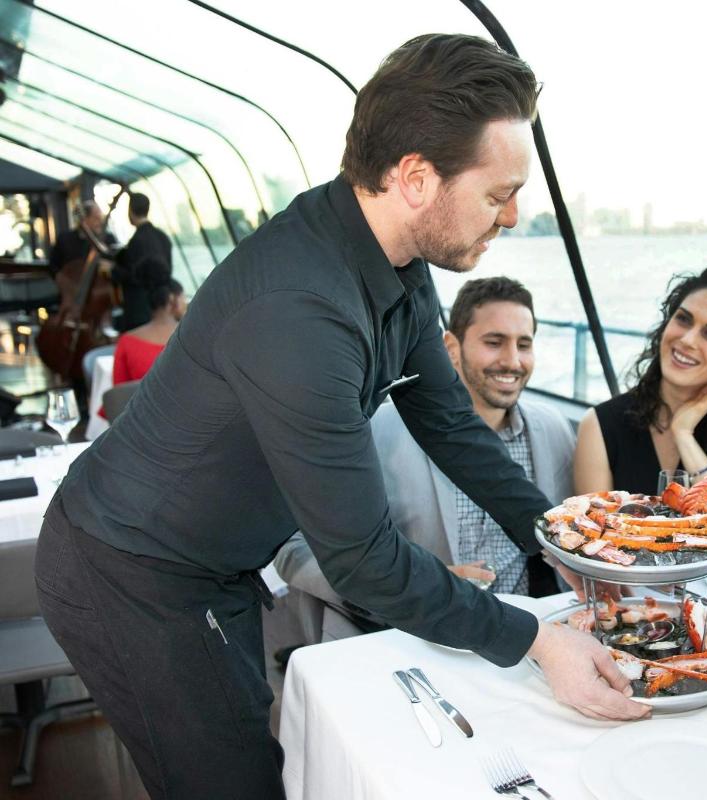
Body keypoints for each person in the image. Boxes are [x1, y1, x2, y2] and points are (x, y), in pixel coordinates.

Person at [35, 33, 646, 800]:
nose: (516, 216)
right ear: (417, 178)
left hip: (219, 563)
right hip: (131, 571)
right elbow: (364, 561)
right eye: (498, 195)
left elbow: (450, 426)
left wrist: (560, 543)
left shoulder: (395, 261)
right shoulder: (299, 310)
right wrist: (534, 641)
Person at [274, 275, 576, 637]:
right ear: (450, 347)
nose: (512, 361)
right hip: (413, 634)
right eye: (494, 342)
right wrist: (410, 586)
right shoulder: (373, 431)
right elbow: (292, 547)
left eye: (524, 345)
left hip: (529, 636)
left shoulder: (555, 431)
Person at [574, 264, 707, 536]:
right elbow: (596, 539)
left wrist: (684, 435)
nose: (688, 339)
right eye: (683, 319)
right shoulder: (600, 425)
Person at [111, 264, 187, 386]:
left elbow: (119, 393)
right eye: (184, 297)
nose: (185, 303)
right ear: (173, 299)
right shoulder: (193, 337)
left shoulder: (126, 341)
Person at [111, 192, 173, 332]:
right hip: (162, 306)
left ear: (130, 212)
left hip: (140, 311)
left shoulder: (136, 241)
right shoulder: (163, 237)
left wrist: (113, 270)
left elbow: (134, 276)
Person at [47, 199, 116, 276]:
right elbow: (53, 267)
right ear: (84, 219)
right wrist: (64, 282)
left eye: (101, 218)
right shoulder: (64, 240)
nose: (100, 222)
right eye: (96, 218)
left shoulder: (109, 239)